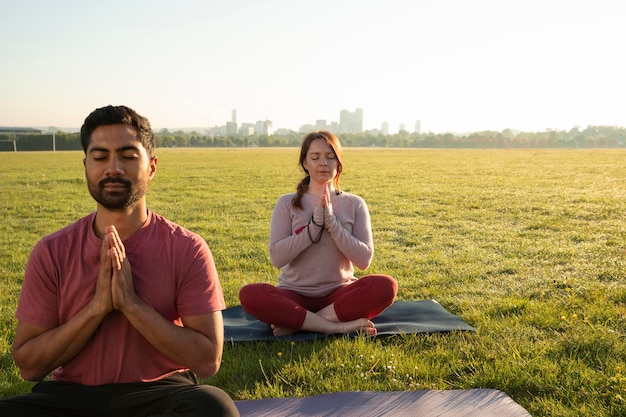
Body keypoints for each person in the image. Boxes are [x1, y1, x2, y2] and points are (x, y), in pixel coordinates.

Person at [0, 105, 239, 417]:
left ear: (151, 166)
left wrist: (131, 305)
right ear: (86, 166)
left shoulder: (187, 248)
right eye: (100, 157)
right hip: (71, 398)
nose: (113, 168)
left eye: (127, 156)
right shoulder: (52, 250)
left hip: (160, 395)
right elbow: (30, 366)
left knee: (213, 407)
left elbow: (208, 360)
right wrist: (98, 308)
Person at [239, 130, 398, 337]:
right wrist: (313, 226)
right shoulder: (287, 203)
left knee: (386, 286)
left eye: (330, 157)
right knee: (251, 295)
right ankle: (334, 326)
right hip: (294, 294)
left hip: (339, 294)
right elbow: (277, 258)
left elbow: (364, 260)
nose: (323, 163)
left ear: (338, 163)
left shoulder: (354, 203)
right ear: (305, 163)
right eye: (315, 157)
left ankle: (301, 322)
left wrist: (332, 222)